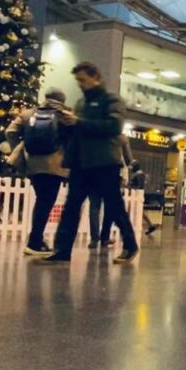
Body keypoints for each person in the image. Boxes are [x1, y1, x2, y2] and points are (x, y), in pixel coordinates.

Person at [42, 62, 139, 264]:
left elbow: (114, 126)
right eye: (78, 81)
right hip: (81, 163)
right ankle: (62, 249)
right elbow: (79, 131)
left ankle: (130, 245)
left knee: (114, 206)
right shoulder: (81, 103)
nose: (80, 84)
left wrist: (78, 122)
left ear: (96, 77)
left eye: (83, 80)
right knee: (72, 206)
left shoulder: (111, 100)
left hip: (104, 162)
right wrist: (67, 125)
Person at [5, 88, 70, 256]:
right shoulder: (65, 115)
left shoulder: (28, 114)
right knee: (45, 202)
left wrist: (20, 149)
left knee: (41, 200)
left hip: (33, 164)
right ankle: (34, 242)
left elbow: (10, 132)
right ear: (62, 99)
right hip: (55, 165)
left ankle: (37, 239)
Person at [91, 134, 134, 248]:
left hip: (92, 172)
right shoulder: (120, 136)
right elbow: (129, 159)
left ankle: (94, 239)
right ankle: (105, 237)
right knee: (110, 207)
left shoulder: (94, 134)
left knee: (94, 207)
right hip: (111, 172)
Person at [128, 159, 158, 236]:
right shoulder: (140, 174)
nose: (131, 168)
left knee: (133, 211)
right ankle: (150, 225)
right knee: (140, 212)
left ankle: (130, 227)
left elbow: (137, 185)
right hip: (137, 195)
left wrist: (131, 188)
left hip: (135, 195)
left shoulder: (138, 174)